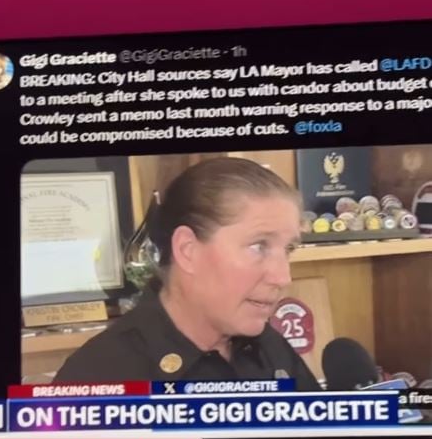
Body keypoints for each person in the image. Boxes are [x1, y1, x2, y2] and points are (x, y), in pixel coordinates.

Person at [55, 157, 320, 389]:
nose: (282, 278)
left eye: (288, 249)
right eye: (258, 246)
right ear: (187, 250)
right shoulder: (97, 377)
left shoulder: (272, 350)